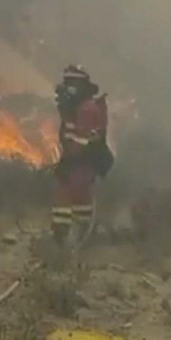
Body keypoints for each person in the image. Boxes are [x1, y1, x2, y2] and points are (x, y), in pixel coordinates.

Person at [51, 65, 113, 246]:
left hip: (80, 161)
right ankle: (81, 234)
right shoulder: (78, 108)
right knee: (80, 197)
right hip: (80, 161)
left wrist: (68, 161)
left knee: (66, 194)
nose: (66, 88)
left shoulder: (86, 109)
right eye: (66, 82)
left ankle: (63, 237)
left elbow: (83, 140)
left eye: (71, 83)